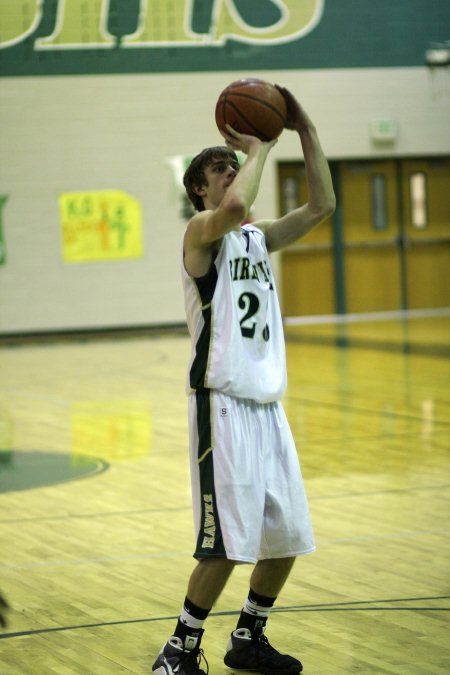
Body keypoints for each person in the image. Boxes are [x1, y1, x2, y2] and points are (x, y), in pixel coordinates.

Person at [152, 86, 335, 675]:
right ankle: (177, 651)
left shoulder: (257, 237)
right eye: (219, 169)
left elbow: (322, 206)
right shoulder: (202, 233)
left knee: (286, 536)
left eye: (236, 165)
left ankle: (248, 636)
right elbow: (233, 210)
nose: (233, 173)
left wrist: (304, 132)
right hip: (222, 405)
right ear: (199, 190)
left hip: (268, 407)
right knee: (227, 543)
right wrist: (256, 148)